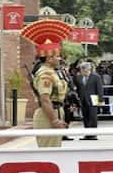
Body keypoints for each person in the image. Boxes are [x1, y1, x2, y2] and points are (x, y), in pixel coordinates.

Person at [20, 19, 73, 148]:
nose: (59, 59)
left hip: (55, 111)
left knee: (55, 148)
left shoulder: (52, 71)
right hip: (48, 115)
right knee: (49, 149)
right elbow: (45, 99)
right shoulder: (45, 74)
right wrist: (54, 120)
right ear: (49, 58)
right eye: (57, 56)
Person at [74, 61, 103, 140]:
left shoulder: (96, 77)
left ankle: (93, 134)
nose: (84, 72)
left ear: (89, 69)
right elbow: (77, 88)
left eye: (85, 70)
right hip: (83, 99)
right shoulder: (78, 77)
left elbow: (99, 89)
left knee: (93, 117)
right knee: (85, 117)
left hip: (93, 99)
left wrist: (100, 100)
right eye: (82, 70)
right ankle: (87, 134)